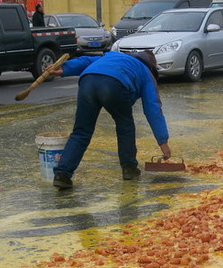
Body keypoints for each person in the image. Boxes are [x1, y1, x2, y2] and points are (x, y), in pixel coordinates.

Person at [49, 50, 171, 190]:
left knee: (81, 131)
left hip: (87, 82)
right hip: (114, 85)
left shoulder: (112, 56)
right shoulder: (145, 71)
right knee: (125, 127)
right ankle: (129, 169)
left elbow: (85, 61)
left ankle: (62, 174)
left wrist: (64, 68)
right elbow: (153, 108)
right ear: (151, 67)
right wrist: (163, 141)